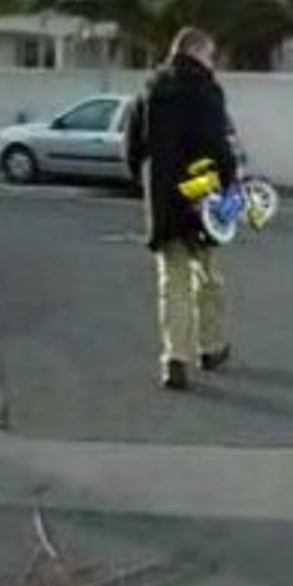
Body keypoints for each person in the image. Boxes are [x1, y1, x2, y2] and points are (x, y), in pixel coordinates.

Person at [126, 27, 238, 390]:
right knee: (208, 275)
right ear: (196, 51)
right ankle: (211, 347)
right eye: (210, 54)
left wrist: (140, 179)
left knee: (171, 280)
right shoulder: (207, 92)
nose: (213, 62)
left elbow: (132, 145)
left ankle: (175, 358)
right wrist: (228, 186)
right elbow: (219, 147)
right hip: (202, 194)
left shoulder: (151, 88)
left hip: (164, 198)